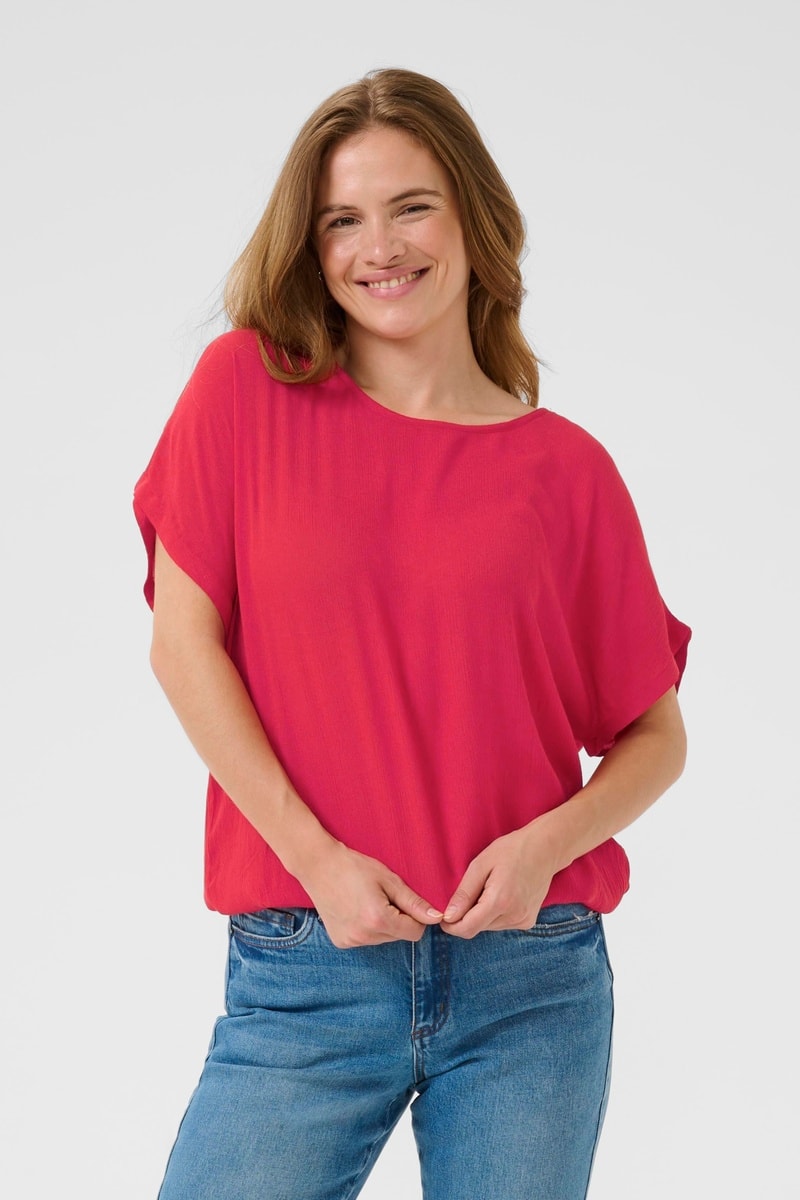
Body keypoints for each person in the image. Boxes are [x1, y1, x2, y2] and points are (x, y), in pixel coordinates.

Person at [133, 67, 690, 1200]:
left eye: (411, 207)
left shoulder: (566, 472)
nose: (377, 247)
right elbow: (182, 648)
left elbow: (655, 737)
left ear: (473, 218)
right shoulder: (244, 392)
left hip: (529, 984)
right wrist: (316, 860)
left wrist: (542, 850)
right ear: (311, 245)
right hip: (307, 965)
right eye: (342, 219)